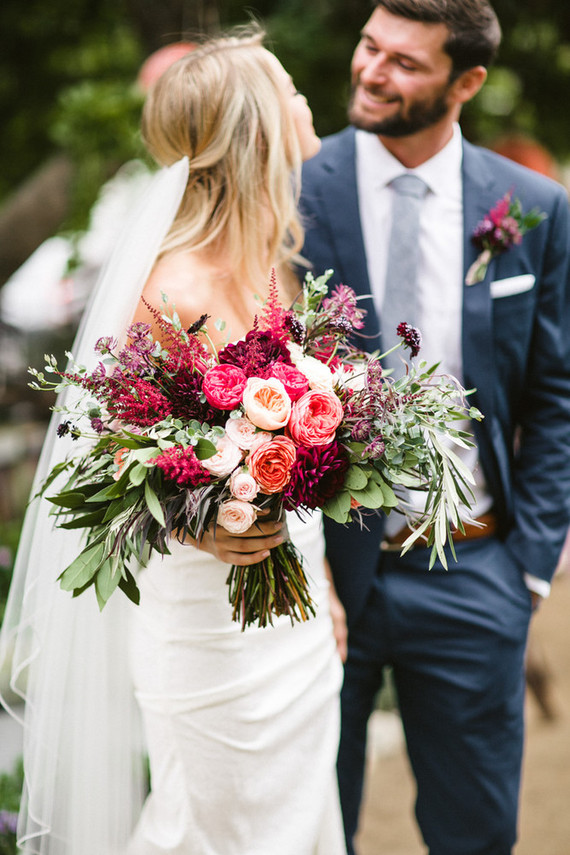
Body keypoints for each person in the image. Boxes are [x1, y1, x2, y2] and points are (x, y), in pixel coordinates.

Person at [0, 30, 347, 855]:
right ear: (257, 128)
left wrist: (322, 585)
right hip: (206, 629)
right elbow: (116, 464)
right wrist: (204, 522)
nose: (306, 103)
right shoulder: (170, 287)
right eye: (291, 89)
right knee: (209, 828)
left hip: (293, 627)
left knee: (295, 824)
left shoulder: (275, 268)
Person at [300, 2, 570, 854]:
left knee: (477, 832)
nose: (372, 71)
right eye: (369, 47)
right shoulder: (297, 184)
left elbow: (557, 396)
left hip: (475, 571)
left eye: (405, 63)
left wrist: (528, 566)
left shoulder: (531, 209)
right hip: (320, 583)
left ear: (467, 82)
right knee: (305, 828)